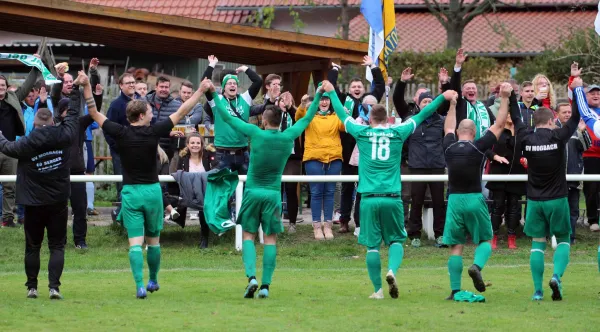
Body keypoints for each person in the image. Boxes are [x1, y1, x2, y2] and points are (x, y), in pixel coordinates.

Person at [329, 76, 458, 299]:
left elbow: (342, 114)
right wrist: (443, 96)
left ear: (369, 118)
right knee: (397, 240)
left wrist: (331, 92)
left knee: (371, 246)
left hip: (368, 197)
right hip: (392, 196)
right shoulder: (398, 132)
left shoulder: (362, 132)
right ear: (388, 119)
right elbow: (423, 113)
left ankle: (378, 290)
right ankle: (391, 270)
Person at [85, 71, 208, 299]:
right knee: (153, 243)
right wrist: (200, 90)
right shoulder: (153, 132)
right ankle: (153, 279)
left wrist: (85, 86)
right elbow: (183, 110)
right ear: (141, 115)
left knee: (134, 244)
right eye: (150, 112)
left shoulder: (120, 132)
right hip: (152, 193)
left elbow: (93, 112)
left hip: (131, 193)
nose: (153, 114)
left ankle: (140, 285)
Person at [208, 78, 321, 299]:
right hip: (272, 195)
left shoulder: (255, 133)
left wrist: (214, 94)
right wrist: (317, 96)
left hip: (252, 192)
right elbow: (307, 118)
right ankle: (266, 286)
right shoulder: (288, 135)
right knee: (270, 239)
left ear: (264, 120)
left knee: (248, 236)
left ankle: (251, 277)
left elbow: (226, 116)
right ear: (280, 122)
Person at [0, 73, 82, 300]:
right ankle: (54, 287)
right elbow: (73, 114)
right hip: (57, 202)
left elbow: (5, 146)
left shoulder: (27, 142)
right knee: (57, 246)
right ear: (53, 122)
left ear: (34, 124)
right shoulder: (65, 135)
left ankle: (32, 288)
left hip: (33, 203)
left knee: (32, 247)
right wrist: (75, 90)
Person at [442, 83, 511, 302]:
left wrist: (452, 105)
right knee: (485, 238)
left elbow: (448, 129)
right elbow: (500, 124)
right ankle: (476, 266)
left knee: (456, 245)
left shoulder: (449, 146)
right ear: (473, 133)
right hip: (473, 198)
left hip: (453, 200)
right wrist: (505, 98)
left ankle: (454, 291)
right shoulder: (479, 146)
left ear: (459, 133)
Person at [516, 75, 581, 302]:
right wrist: (576, 89)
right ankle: (556, 276)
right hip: (557, 199)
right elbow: (576, 117)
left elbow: (516, 119)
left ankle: (537, 291)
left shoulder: (526, 139)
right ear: (552, 121)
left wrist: (509, 98)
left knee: (537, 244)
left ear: (534, 122)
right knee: (563, 239)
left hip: (534, 200)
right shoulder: (559, 136)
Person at [328, 56, 385, 234]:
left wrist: (373, 67)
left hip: (366, 153)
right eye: (354, 87)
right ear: (350, 89)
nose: (357, 89)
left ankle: (360, 223)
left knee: (363, 189)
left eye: (359, 86)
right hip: (347, 152)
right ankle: (344, 220)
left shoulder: (370, 100)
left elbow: (381, 86)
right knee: (346, 187)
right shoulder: (344, 99)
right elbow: (331, 87)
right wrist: (335, 70)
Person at [395, 67, 450, 248]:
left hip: (436, 166)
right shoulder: (411, 121)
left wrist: (445, 83)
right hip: (417, 166)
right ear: (418, 104)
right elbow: (397, 100)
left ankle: (440, 234)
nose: (427, 104)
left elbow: (449, 101)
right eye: (424, 101)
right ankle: (414, 234)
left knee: (438, 202)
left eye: (430, 101)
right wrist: (402, 82)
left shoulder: (441, 121)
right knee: (416, 202)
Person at [296, 89, 344, 240]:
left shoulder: (336, 116)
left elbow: (346, 126)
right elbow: (299, 117)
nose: (324, 102)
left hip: (334, 159)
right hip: (313, 159)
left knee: (330, 193)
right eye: (321, 99)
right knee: (316, 193)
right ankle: (317, 227)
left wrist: (343, 111)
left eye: (327, 99)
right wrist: (303, 105)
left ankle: (328, 227)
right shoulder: (309, 116)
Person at [0, 55, 40, 228]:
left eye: (2, 85)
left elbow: (27, 85)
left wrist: (36, 66)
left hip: (9, 148)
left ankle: (7, 219)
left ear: (6, 87)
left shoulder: (13, 98)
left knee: (10, 186)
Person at [485, 98, 527, 250]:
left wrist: (526, 159)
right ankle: (493, 236)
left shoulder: (523, 132)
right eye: (506, 113)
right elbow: (485, 148)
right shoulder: (496, 130)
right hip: (499, 174)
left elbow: (528, 149)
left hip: (517, 174)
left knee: (514, 207)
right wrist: (495, 157)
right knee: (497, 206)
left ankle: (511, 236)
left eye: (511, 113)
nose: (508, 115)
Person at [169, 132, 214, 248]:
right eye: (192, 143)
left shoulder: (209, 155)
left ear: (202, 144)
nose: (195, 145)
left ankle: (205, 238)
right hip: (188, 192)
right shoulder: (182, 158)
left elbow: (215, 171)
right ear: (187, 145)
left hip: (206, 191)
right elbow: (178, 174)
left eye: (198, 143)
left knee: (204, 204)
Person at [555, 103, 590, 245]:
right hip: (556, 179)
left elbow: (587, 146)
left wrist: (583, 132)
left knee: (573, 211)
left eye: (570, 112)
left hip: (574, 178)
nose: (568, 114)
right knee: (557, 211)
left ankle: (569, 238)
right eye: (564, 112)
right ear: (557, 114)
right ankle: (555, 237)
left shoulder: (578, 129)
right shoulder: (552, 129)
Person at [106, 73, 140, 220]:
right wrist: (116, 146)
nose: (132, 85)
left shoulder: (141, 102)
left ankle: (136, 214)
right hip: (121, 152)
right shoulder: (116, 105)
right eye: (128, 83)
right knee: (123, 184)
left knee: (138, 183)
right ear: (121, 86)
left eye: (133, 82)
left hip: (140, 151)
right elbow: (107, 128)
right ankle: (121, 216)